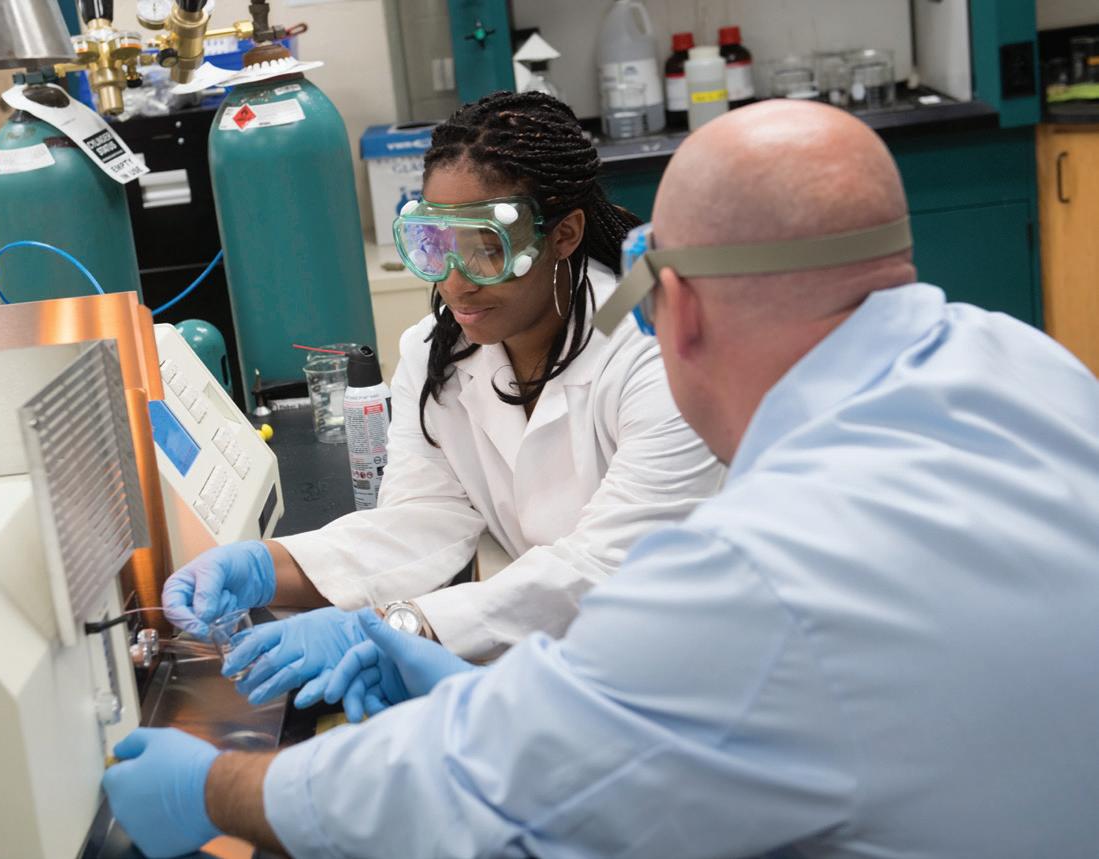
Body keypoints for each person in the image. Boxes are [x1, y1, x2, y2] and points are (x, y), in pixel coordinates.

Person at [104, 100, 1099, 858]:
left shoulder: (762, 567)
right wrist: (288, 570)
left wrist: (218, 790)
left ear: (677, 305)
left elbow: (485, 780)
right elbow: (437, 521)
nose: (455, 278)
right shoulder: (1028, 366)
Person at [162, 91, 724, 707]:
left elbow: (608, 566)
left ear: (563, 235)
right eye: (433, 242)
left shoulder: (655, 355)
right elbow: (422, 520)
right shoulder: (440, 356)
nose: (455, 281)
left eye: (487, 247)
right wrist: (269, 566)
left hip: (697, 674)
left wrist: (403, 626)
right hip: (569, 670)